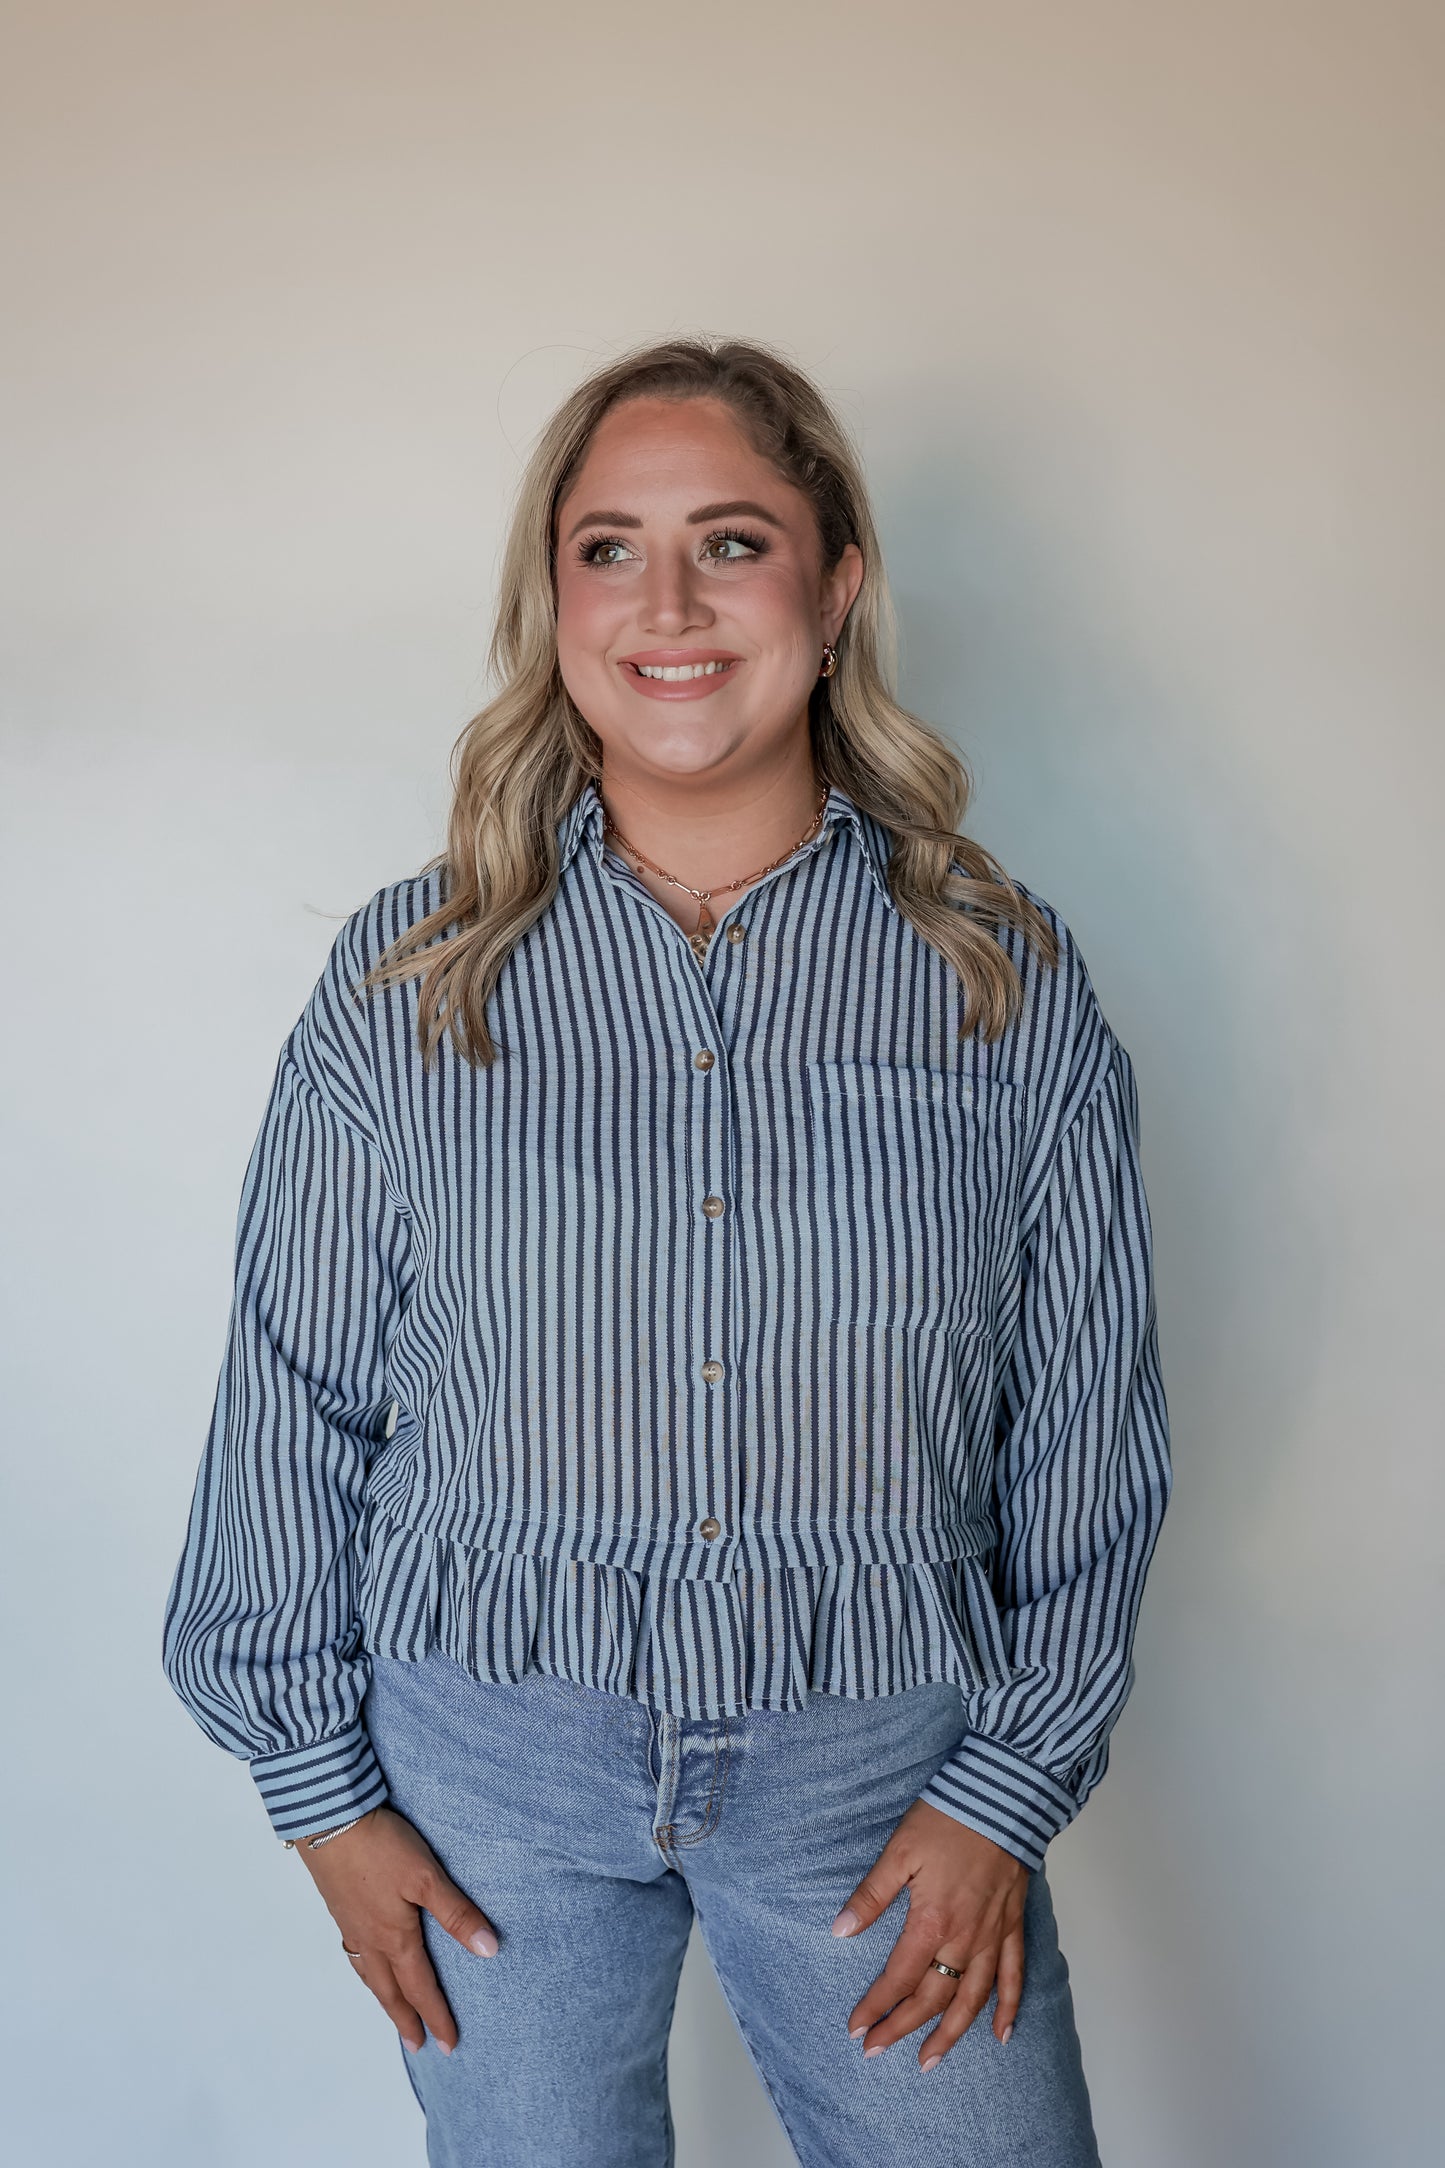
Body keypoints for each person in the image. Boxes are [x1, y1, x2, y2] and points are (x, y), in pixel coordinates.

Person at [163, 334, 1172, 2167]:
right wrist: (323, 1801)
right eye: (608, 548)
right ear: (551, 603)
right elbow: (291, 1399)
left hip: (885, 1778)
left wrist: (1006, 1791)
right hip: (486, 1777)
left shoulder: (993, 978)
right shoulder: (413, 980)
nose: (670, 603)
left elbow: (1090, 1421)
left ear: (835, 580)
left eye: (732, 540)